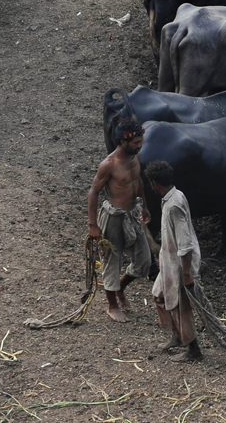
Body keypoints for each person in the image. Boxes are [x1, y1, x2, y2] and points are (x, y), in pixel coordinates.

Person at [86, 119, 151, 323]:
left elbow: (137, 181)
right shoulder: (109, 164)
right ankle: (112, 305)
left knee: (144, 261)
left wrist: (145, 205)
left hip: (133, 215)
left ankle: (121, 287)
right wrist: (93, 225)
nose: (140, 145)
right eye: (136, 142)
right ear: (124, 141)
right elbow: (93, 192)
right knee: (111, 262)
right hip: (114, 218)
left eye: (141, 141)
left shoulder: (135, 156)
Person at [146, 160, 203, 362]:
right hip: (169, 261)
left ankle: (194, 350)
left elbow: (185, 243)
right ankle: (177, 336)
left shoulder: (174, 205)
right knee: (159, 294)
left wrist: (186, 273)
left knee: (181, 306)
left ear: (154, 183)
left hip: (179, 264)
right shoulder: (172, 198)